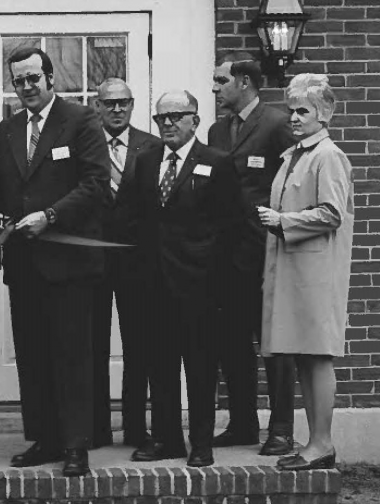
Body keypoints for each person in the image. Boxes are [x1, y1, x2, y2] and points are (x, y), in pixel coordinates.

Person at [0, 47, 110, 477]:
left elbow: (95, 184)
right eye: (19, 81)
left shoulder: (81, 120)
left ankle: (76, 446)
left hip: (70, 264)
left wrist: (50, 216)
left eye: (34, 78)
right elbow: (0, 184)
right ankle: (45, 438)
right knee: (33, 356)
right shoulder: (9, 128)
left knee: (71, 357)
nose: (27, 87)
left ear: (51, 78)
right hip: (25, 264)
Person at [119, 91, 243, 468]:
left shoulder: (217, 163)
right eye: (161, 118)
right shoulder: (144, 161)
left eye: (176, 116)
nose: (167, 124)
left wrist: (220, 285)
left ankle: (201, 441)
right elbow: (133, 219)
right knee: (161, 365)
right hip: (154, 285)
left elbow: (233, 228)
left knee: (201, 366)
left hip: (200, 288)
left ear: (195, 119)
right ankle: (167, 438)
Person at [257, 73, 352, 471]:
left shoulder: (326, 155)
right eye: (290, 110)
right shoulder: (295, 154)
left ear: (323, 113)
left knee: (317, 357)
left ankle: (322, 444)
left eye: (303, 110)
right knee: (303, 357)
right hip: (296, 271)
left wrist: (282, 220)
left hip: (315, 272)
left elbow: (332, 212)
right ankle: (316, 443)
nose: (294, 117)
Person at [209, 52, 298, 456]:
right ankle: (242, 423)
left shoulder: (278, 124)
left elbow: (296, 183)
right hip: (226, 256)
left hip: (267, 251)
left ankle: (279, 428)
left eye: (221, 80)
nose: (215, 88)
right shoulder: (215, 131)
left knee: (274, 343)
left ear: (243, 82)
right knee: (230, 341)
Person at [90, 77, 163, 449]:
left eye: (124, 103)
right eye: (109, 103)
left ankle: (135, 427)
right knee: (92, 346)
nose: (117, 109)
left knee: (139, 346)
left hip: (137, 261)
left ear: (132, 106)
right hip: (94, 259)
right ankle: (96, 427)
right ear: (97, 106)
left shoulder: (151, 145)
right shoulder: (85, 145)